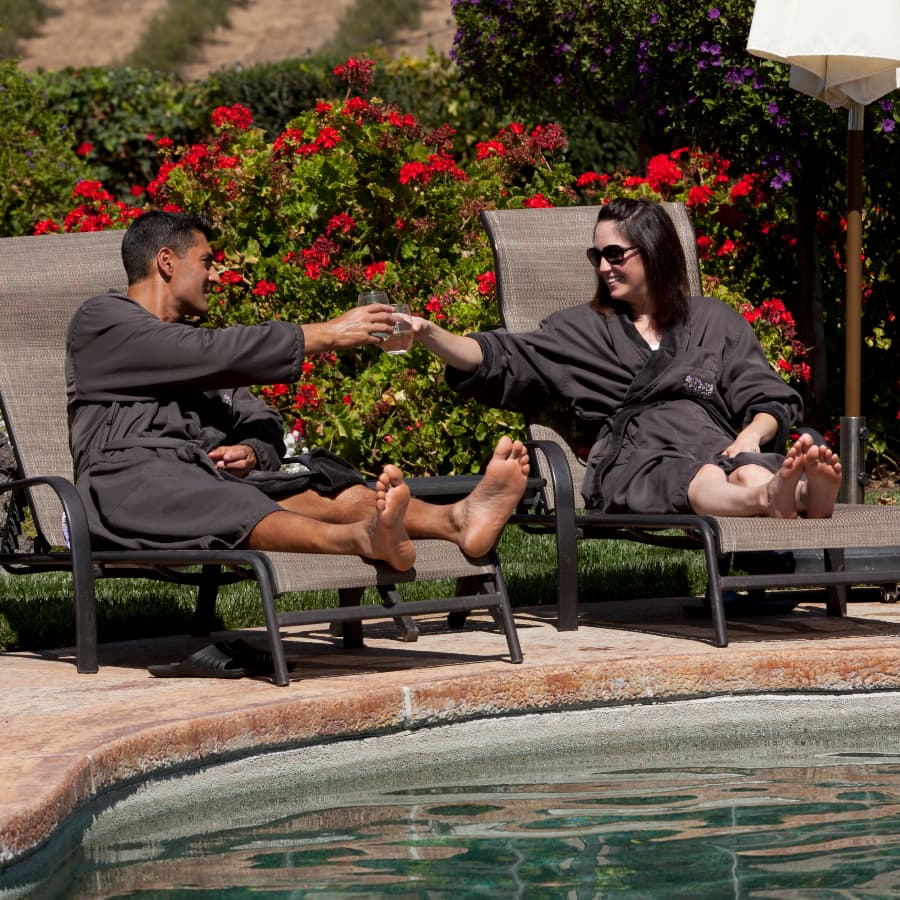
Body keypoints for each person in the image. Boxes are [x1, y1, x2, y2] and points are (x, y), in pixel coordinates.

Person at [65, 210, 530, 572]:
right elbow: (204, 351)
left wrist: (250, 449)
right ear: (166, 261)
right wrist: (326, 333)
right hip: (127, 487)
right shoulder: (103, 322)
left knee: (321, 487)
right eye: (206, 262)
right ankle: (360, 539)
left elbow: (262, 417)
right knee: (229, 498)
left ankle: (456, 520)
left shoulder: (200, 349)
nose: (216, 275)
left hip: (202, 481)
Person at [411, 198, 841, 519]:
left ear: (655, 253)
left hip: (715, 442)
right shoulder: (580, 329)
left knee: (745, 467)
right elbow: (499, 354)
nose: (602, 267)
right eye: (597, 256)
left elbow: (765, 393)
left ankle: (796, 496)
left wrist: (751, 436)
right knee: (695, 475)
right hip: (636, 454)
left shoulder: (714, 319)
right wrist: (430, 333)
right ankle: (771, 498)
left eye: (615, 254)